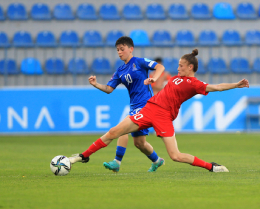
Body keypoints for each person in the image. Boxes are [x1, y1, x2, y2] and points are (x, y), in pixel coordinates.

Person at [69, 49, 249, 173]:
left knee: (175, 156)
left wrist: (236, 85)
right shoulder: (176, 78)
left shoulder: (195, 84)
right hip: (149, 109)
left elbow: (216, 87)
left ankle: (211, 167)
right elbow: (162, 84)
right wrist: (151, 81)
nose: (178, 68)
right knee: (114, 131)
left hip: (164, 116)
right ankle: (82, 156)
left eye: (181, 65)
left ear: (190, 67)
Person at [76, 36, 166, 173]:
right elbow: (109, 89)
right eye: (117, 50)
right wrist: (96, 84)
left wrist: (154, 77)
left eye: (122, 49)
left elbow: (160, 66)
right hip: (135, 107)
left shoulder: (139, 62)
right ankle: (157, 161)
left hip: (146, 106)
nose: (119, 52)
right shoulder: (120, 71)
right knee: (139, 143)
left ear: (131, 49)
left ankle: (116, 162)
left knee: (120, 129)